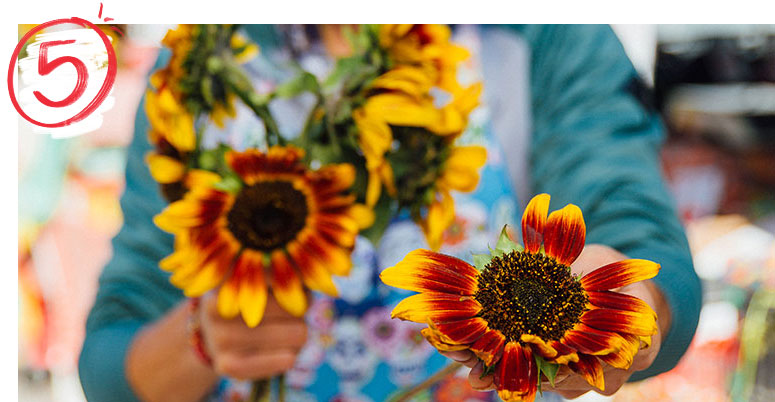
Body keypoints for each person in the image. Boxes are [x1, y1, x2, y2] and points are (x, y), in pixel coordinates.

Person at [79, 24, 701, 401]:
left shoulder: (538, 32)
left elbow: (634, 225)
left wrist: (618, 308)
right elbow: (111, 361)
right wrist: (202, 339)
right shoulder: (198, 68)